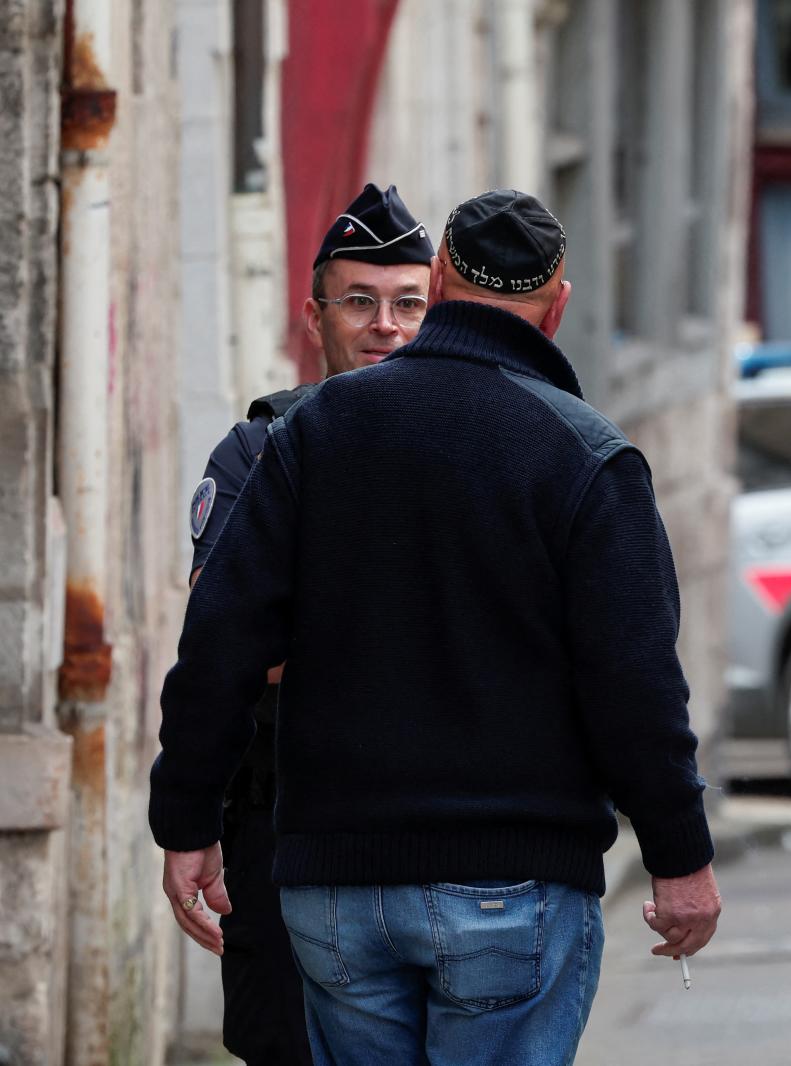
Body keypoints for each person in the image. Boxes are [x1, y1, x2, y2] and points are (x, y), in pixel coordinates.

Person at [151, 189, 720, 1064]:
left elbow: (220, 637)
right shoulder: (588, 456)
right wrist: (679, 857)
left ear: (441, 283)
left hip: (336, 888)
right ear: (557, 307)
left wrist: (186, 820)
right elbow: (635, 682)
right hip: (515, 885)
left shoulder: (314, 434)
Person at [183, 182, 435, 1065]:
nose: (386, 325)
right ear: (314, 314)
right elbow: (235, 647)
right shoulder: (257, 451)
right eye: (359, 301)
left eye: (410, 303)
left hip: (437, 840)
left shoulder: (474, 443)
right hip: (283, 831)